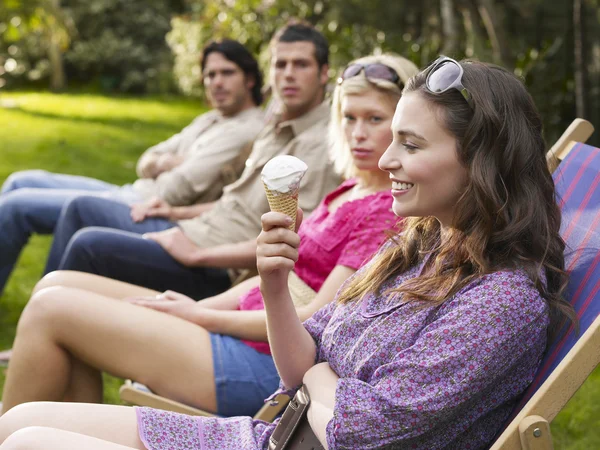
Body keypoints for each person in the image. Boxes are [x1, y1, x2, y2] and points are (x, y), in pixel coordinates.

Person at [0, 57, 577, 449]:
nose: (388, 159)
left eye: (410, 142)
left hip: (276, 437)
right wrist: (274, 281)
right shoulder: (420, 248)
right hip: (264, 435)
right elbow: (305, 361)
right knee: (21, 422)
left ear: (480, 162)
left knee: (27, 442)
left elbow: (357, 434)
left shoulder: (502, 304)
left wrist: (320, 379)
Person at [0, 53, 417, 419]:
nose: (357, 132)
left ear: (402, 129)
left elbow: (316, 319)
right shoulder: (347, 191)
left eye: (375, 119)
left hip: (269, 369)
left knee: (52, 310)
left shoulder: (385, 212)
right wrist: (196, 306)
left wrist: (199, 316)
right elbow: (279, 278)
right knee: (57, 283)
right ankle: (56, 432)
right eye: (349, 116)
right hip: (235, 328)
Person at [40, 21, 340, 300]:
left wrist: (197, 255)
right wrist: (175, 212)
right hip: (196, 230)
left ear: (324, 73)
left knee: (89, 246)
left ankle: (47, 329)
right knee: (81, 208)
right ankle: (47, 328)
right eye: (280, 64)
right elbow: (233, 203)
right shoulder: (275, 129)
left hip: (218, 267)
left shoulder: (323, 146)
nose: (288, 74)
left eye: (301, 64)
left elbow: (297, 243)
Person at [0, 38, 265, 296]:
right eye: (210, 75)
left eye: (227, 73)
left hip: (144, 206)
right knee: (20, 181)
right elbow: (147, 159)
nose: (216, 82)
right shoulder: (210, 119)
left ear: (250, 79)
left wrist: (164, 166)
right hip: (133, 190)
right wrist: (167, 162)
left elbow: (175, 189)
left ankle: (39, 312)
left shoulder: (245, 129)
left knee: (15, 208)